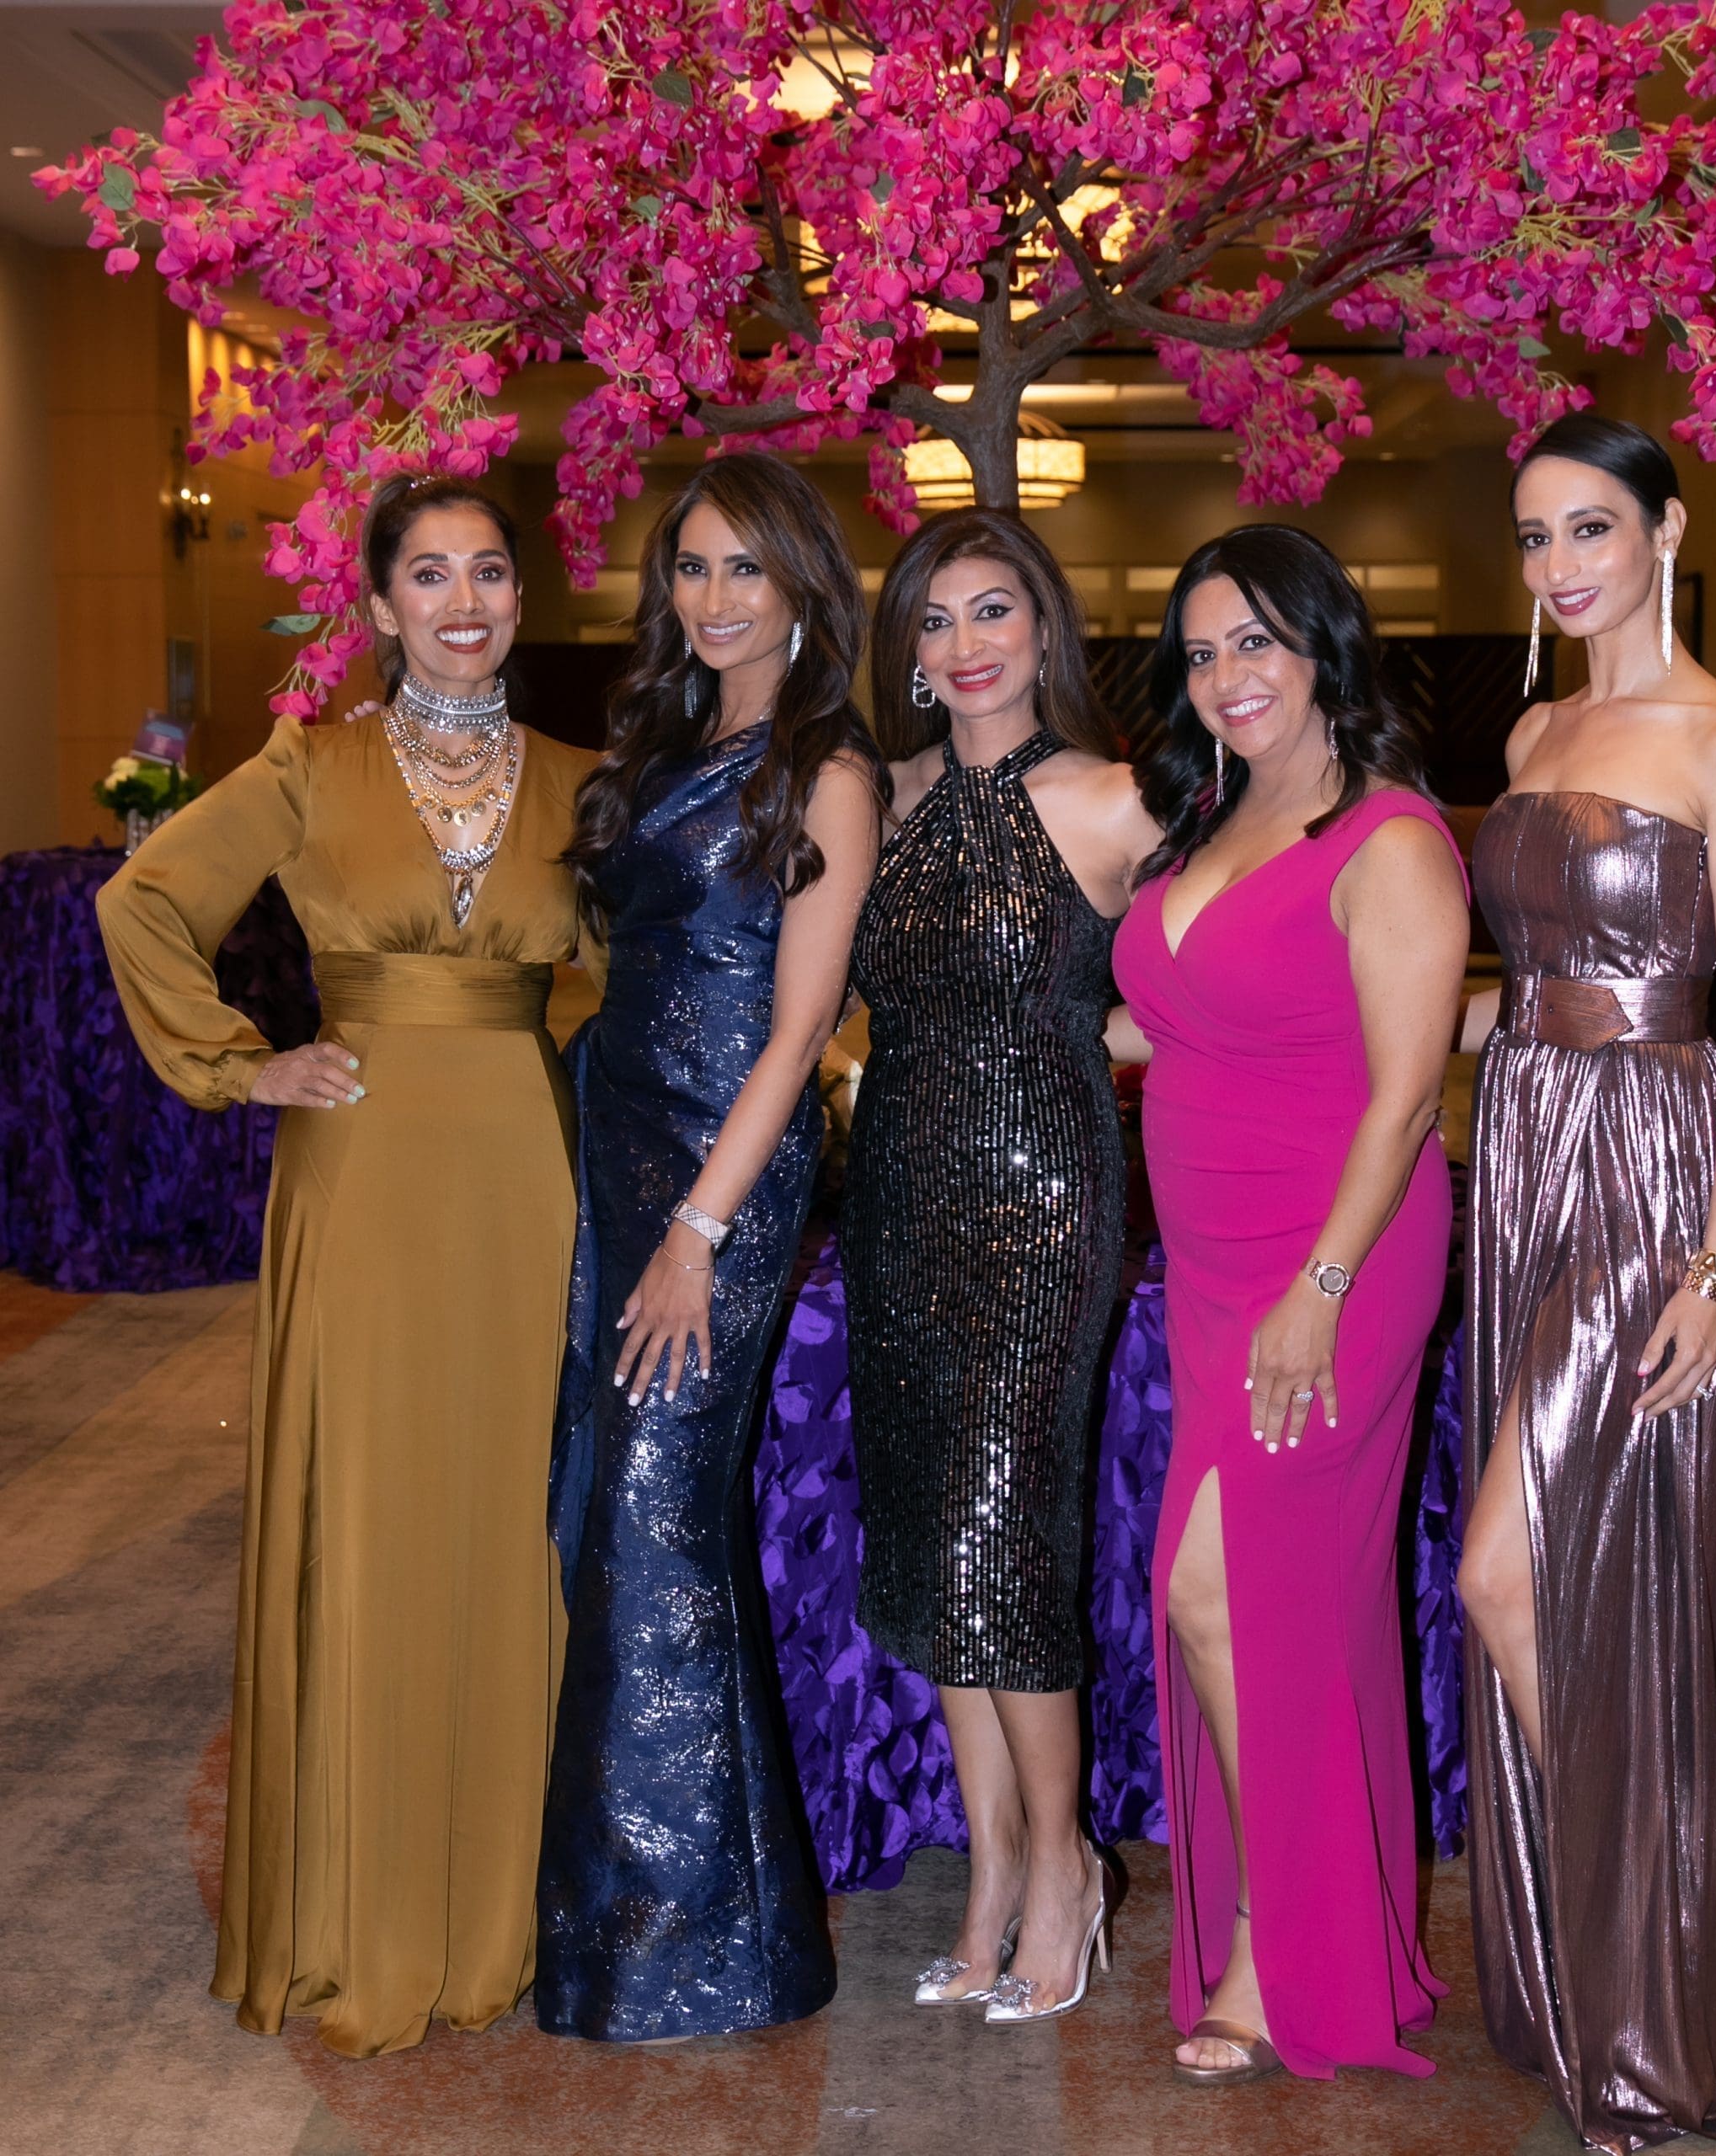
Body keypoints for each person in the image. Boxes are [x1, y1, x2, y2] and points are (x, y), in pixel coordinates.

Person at [97, 476, 595, 2056]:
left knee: (515, 1518)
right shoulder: (307, 766)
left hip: (528, 1183)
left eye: (489, 572)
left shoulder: (587, 784)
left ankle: (505, 1909)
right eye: (428, 575)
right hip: (364, 1177)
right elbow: (142, 901)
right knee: (374, 1514)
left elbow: (632, 981)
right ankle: (362, 1915)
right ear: (379, 606)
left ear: (521, 597)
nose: (463, 601)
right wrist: (246, 1066)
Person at [1455, 413, 1716, 2152]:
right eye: (1535, 534)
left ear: (1666, 531)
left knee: (1502, 1572)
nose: (1557, 565)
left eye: (1589, 528)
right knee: (1569, 1574)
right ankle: (1624, 1957)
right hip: (1523, 1151)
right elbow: (1520, 977)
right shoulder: (1532, 729)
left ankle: (1649, 1955)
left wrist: (1713, 1263)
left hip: (1647, 1176)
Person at [1109, 525, 1467, 2086]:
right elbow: (1173, 1019)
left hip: (1338, 1253)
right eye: (1200, 653)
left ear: (1323, 645)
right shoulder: (1209, 818)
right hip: (1207, 1266)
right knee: (1268, 1597)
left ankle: (1281, 1940)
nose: (1225, 677)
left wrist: (1319, 1288)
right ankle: (1330, 1926)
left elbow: (1405, 1095)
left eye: (1253, 640)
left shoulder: (1390, 839)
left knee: (1216, 1587)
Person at [537, 455, 885, 2042]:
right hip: (617, 1147)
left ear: (803, 583)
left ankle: (692, 1946)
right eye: (692, 566)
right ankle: (662, 1928)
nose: (716, 596)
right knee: (604, 1514)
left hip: (719, 1176)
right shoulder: (667, 741)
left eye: (747, 567)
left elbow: (801, 1028)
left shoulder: (826, 769)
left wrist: (696, 1233)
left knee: (654, 1518)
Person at [842, 507, 1161, 2024]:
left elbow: (1207, 987)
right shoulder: (879, 797)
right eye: (934, 619)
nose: (964, 645)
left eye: (992, 611)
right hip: (895, 1200)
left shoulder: (1115, 798)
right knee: (932, 1554)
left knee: (1002, 1548)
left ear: (1043, 627)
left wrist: (1080, 1039)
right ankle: (988, 1878)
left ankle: (1065, 1871)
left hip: (1043, 1207)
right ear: (906, 652)